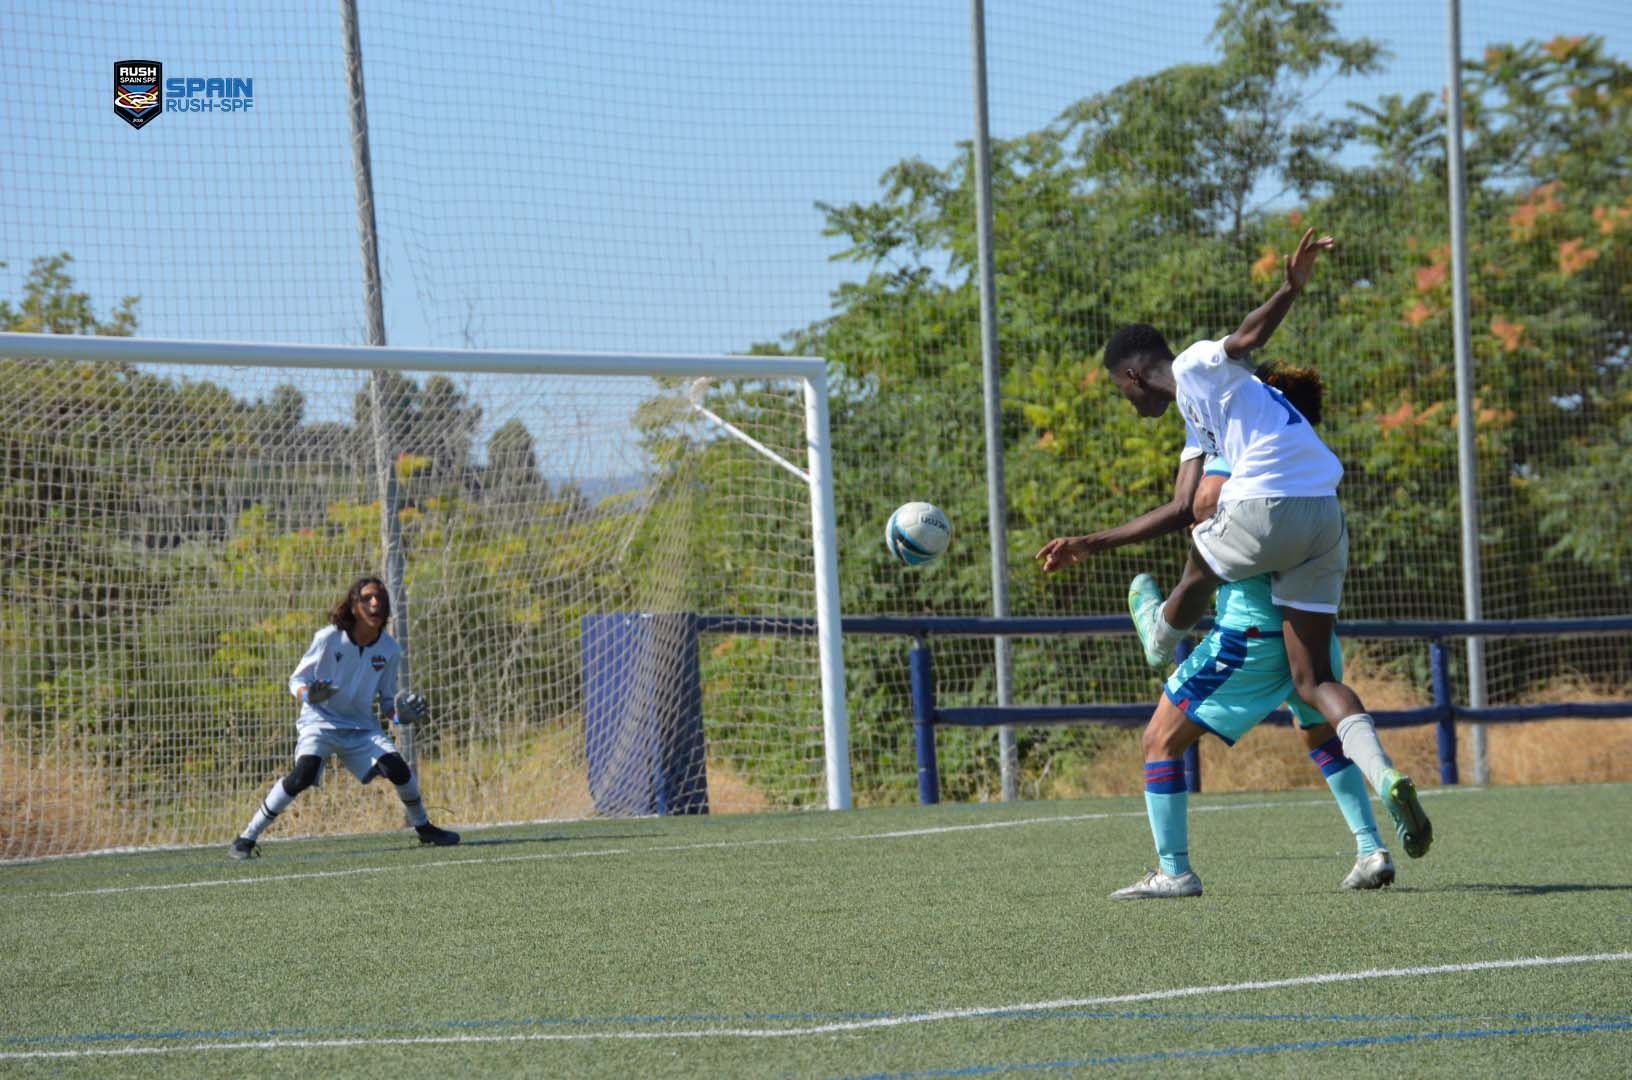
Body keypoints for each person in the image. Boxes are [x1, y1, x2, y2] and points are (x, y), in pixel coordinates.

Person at [1039, 366, 1399, 894]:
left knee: (1160, 739)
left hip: (1249, 634)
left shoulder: (1240, 448)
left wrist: (1191, 516)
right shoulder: (1301, 461)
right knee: (1321, 733)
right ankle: (1371, 848)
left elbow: (1204, 500)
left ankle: (1174, 870)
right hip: (1309, 631)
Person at [228, 576, 460, 859]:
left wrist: (401, 717)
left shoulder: (389, 649)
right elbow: (296, 680)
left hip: (361, 728)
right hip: (319, 721)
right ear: (353, 606)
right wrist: (308, 696)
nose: (375, 603)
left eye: (381, 598)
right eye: (367, 598)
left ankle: (424, 828)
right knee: (303, 774)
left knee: (399, 770)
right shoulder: (328, 638)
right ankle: (246, 838)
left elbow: (387, 702)